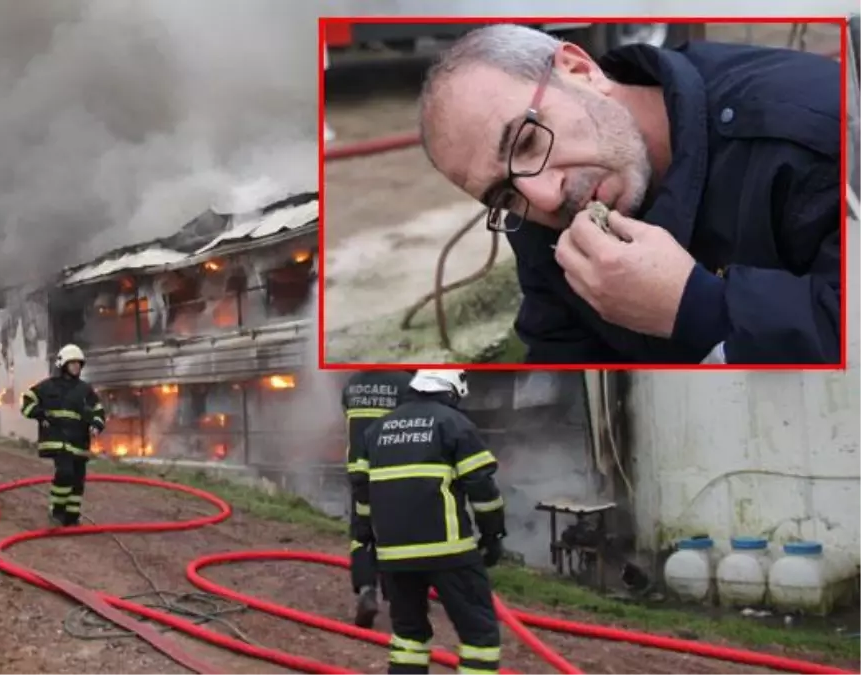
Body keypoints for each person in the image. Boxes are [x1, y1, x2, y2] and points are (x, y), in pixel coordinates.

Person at [418, 24, 841, 365]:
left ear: (581, 71)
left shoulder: (816, 136)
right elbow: (562, 361)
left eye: (528, 141)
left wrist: (697, 309)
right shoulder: (538, 213)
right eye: (503, 196)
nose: (545, 197)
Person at [354, 369, 506, 675]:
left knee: (408, 637)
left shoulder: (376, 431)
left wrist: (368, 545)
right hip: (449, 552)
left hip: (394, 557)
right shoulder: (453, 423)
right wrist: (492, 536)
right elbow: (482, 488)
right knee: (479, 636)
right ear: (451, 391)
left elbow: (363, 495)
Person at [341, 368, 415, 629]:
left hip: (361, 474)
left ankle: (366, 590)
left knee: (362, 533)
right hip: (396, 472)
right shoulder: (406, 383)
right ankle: (397, 598)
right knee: (396, 533)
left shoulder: (352, 384)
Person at [20, 343, 106, 526]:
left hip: (79, 444)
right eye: (72, 363)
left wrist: (97, 425)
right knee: (65, 473)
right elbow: (27, 401)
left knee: (77, 481)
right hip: (57, 441)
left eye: (78, 364)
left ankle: (71, 517)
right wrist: (39, 413)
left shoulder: (85, 390)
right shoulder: (48, 386)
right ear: (62, 364)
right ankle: (57, 511)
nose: (76, 367)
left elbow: (98, 411)